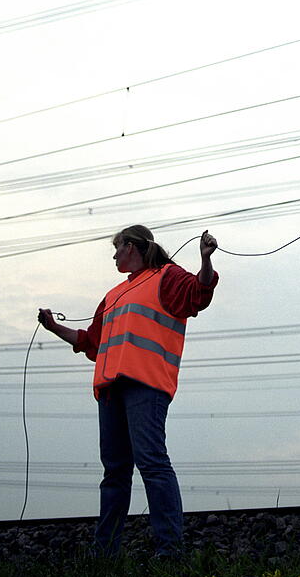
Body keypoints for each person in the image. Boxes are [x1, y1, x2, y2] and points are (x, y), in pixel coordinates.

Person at [38, 225, 218, 559]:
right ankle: (104, 555)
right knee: (115, 473)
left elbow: (199, 292)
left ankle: (170, 551)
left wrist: (205, 261)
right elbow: (90, 342)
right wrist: (54, 327)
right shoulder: (113, 295)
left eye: (117, 247)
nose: (114, 254)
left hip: (146, 384)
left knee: (151, 463)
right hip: (110, 390)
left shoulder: (167, 275)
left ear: (133, 247)